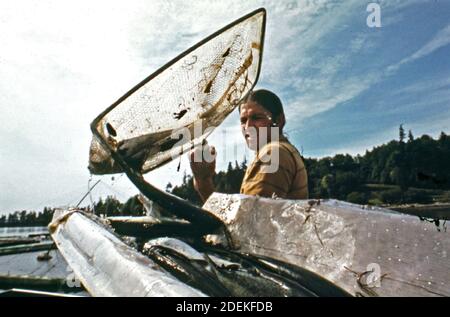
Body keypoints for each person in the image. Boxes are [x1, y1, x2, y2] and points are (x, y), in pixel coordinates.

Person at [189, 89, 308, 203]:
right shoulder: (284, 151)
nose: (248, 126)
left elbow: (249, 222)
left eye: (257, 118)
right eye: (243, 120)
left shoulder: (273, 152)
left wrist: (203, 183)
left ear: (279, 121)